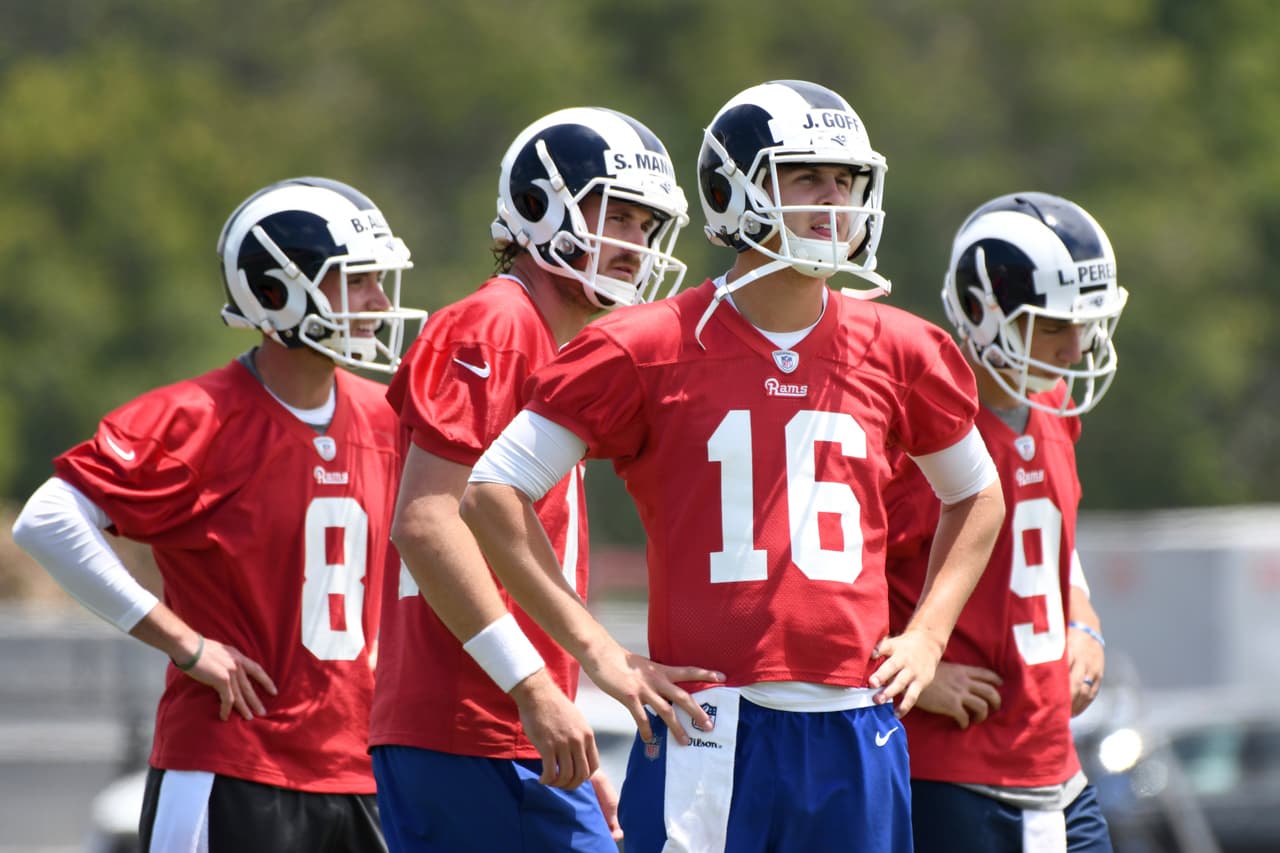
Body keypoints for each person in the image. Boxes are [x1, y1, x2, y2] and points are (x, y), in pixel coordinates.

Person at [457, 79, 1007, 853]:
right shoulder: (645, 342)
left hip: (857, 718)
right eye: (807, 176)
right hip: (714, 720)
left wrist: (927, 635)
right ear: (737, 187)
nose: (832, 201)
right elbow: (490, 494)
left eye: (846, 181)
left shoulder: (904, 347)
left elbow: (978, 495)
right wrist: (599, 650)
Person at [11, 176, 426, 852]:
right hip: (234, 762)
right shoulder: (198, 419)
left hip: (359, 766)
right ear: (276, 292)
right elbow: (48, 520)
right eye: (357, 281)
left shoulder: (385, 416)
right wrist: (186, 643)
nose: (379, 302)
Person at [368, 107, 696, 852]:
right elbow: (426, 521)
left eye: (648, 225)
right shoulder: (498, 323)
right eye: (619, 215)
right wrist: (532, 688)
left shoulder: (549, 341)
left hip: (496, 731)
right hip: (469, 726)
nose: (636, 244)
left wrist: (550, 706)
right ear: (543, 206)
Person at [884, 191, 1128, 852]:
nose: (1075, 347)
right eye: (1054, 325)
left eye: (1083, 323)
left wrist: (1083, 618)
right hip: (951, 772)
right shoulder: (920, 429)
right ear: (983, 313)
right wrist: (909, 667)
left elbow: (1051, 542)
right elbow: (830, 579)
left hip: (1057, 763)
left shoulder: (1053, 403)